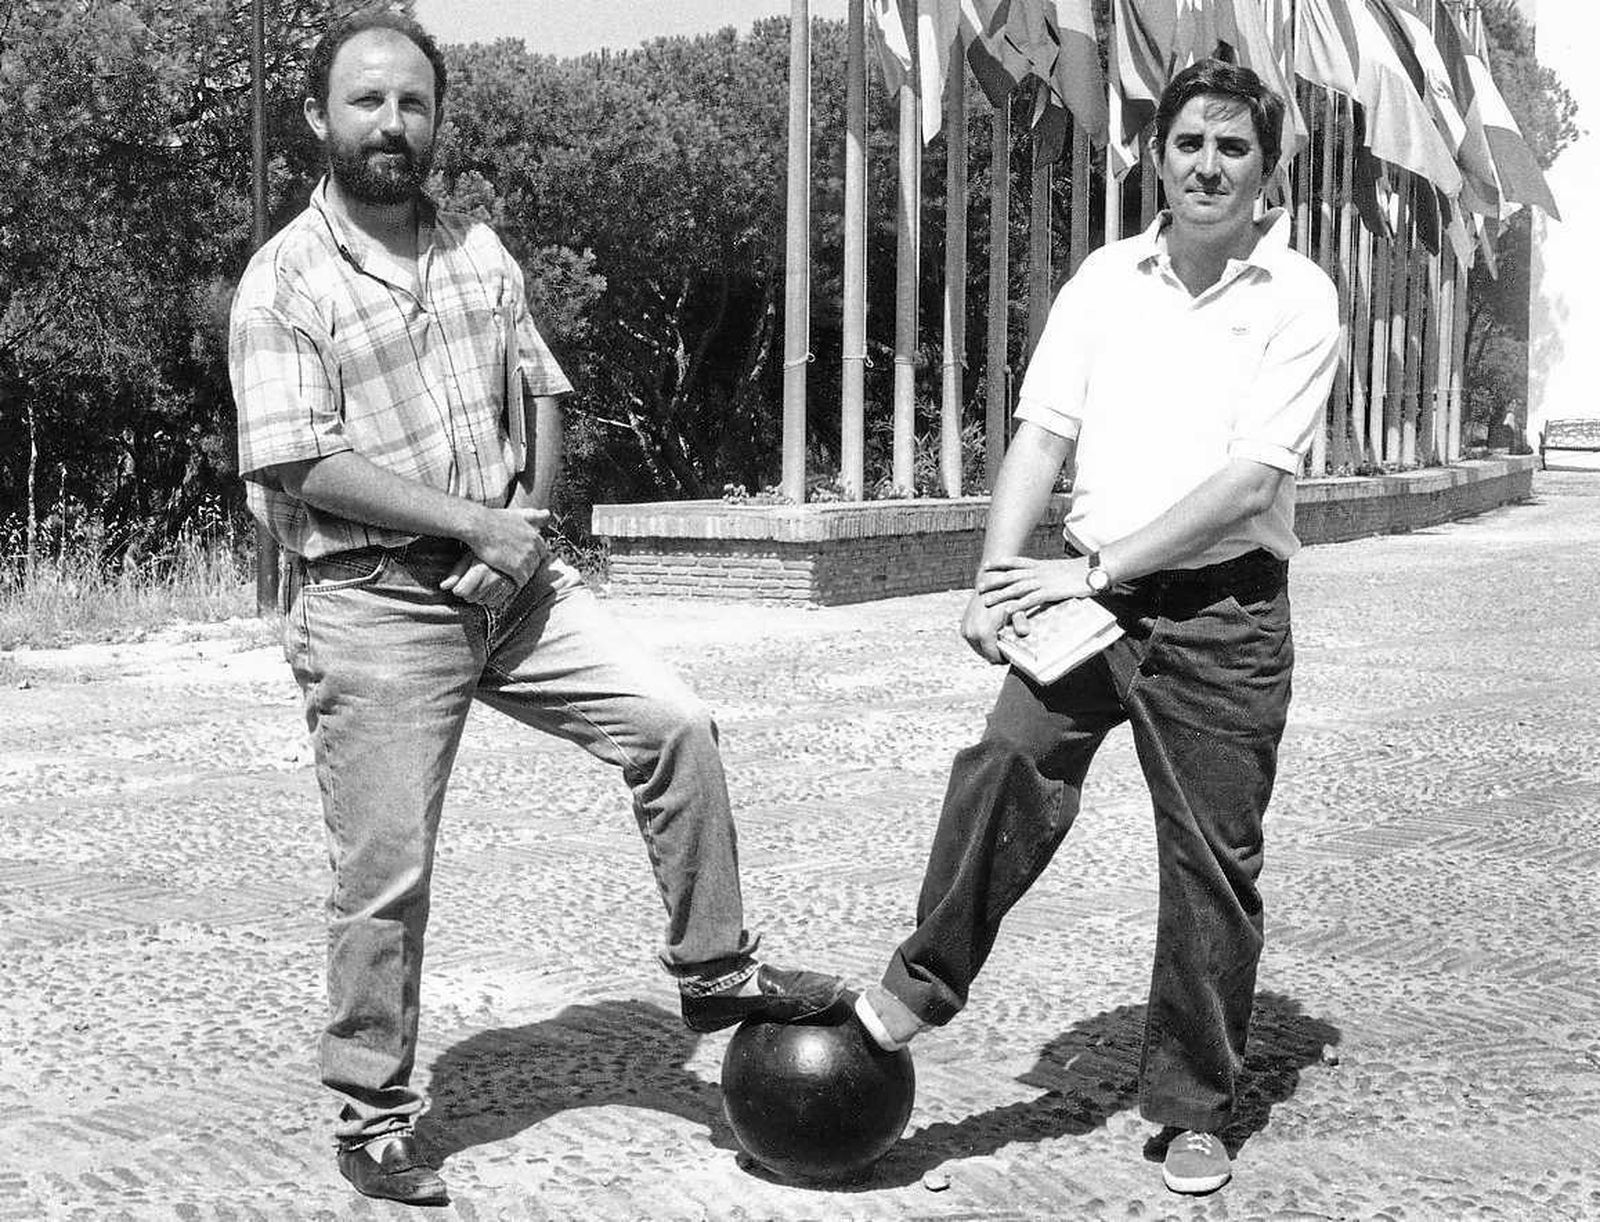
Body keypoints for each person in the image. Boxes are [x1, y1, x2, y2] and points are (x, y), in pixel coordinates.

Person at [228, 12, 843, 1207]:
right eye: (365, 102)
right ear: (319, 120)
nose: (391, 124)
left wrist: (526, 530)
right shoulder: (282, 280)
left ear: (437, 115)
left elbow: (542, 390)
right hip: (375, 605)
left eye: (412, 102)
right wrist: (471, 528)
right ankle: (372, 1112)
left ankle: (715, 974)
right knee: (386, 873)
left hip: (517, 587)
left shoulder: (478, 249)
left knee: (673, 725)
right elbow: (299, 464)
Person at [852, 59, 1339, 1197]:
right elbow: (1040, 436)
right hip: (1088, 611)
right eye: (1188, 144)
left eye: (1232, 147)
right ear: (1156, 157)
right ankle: (914, 989)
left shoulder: (1299, 295)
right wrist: (993, 577)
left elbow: (1246, 481)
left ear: (1265, 170)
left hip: (1223, 618)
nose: (1208, 165)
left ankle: (1192, 1106)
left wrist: (1090, 566)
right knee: (1006, 764)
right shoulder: (1103, 281)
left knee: (1209, 863)